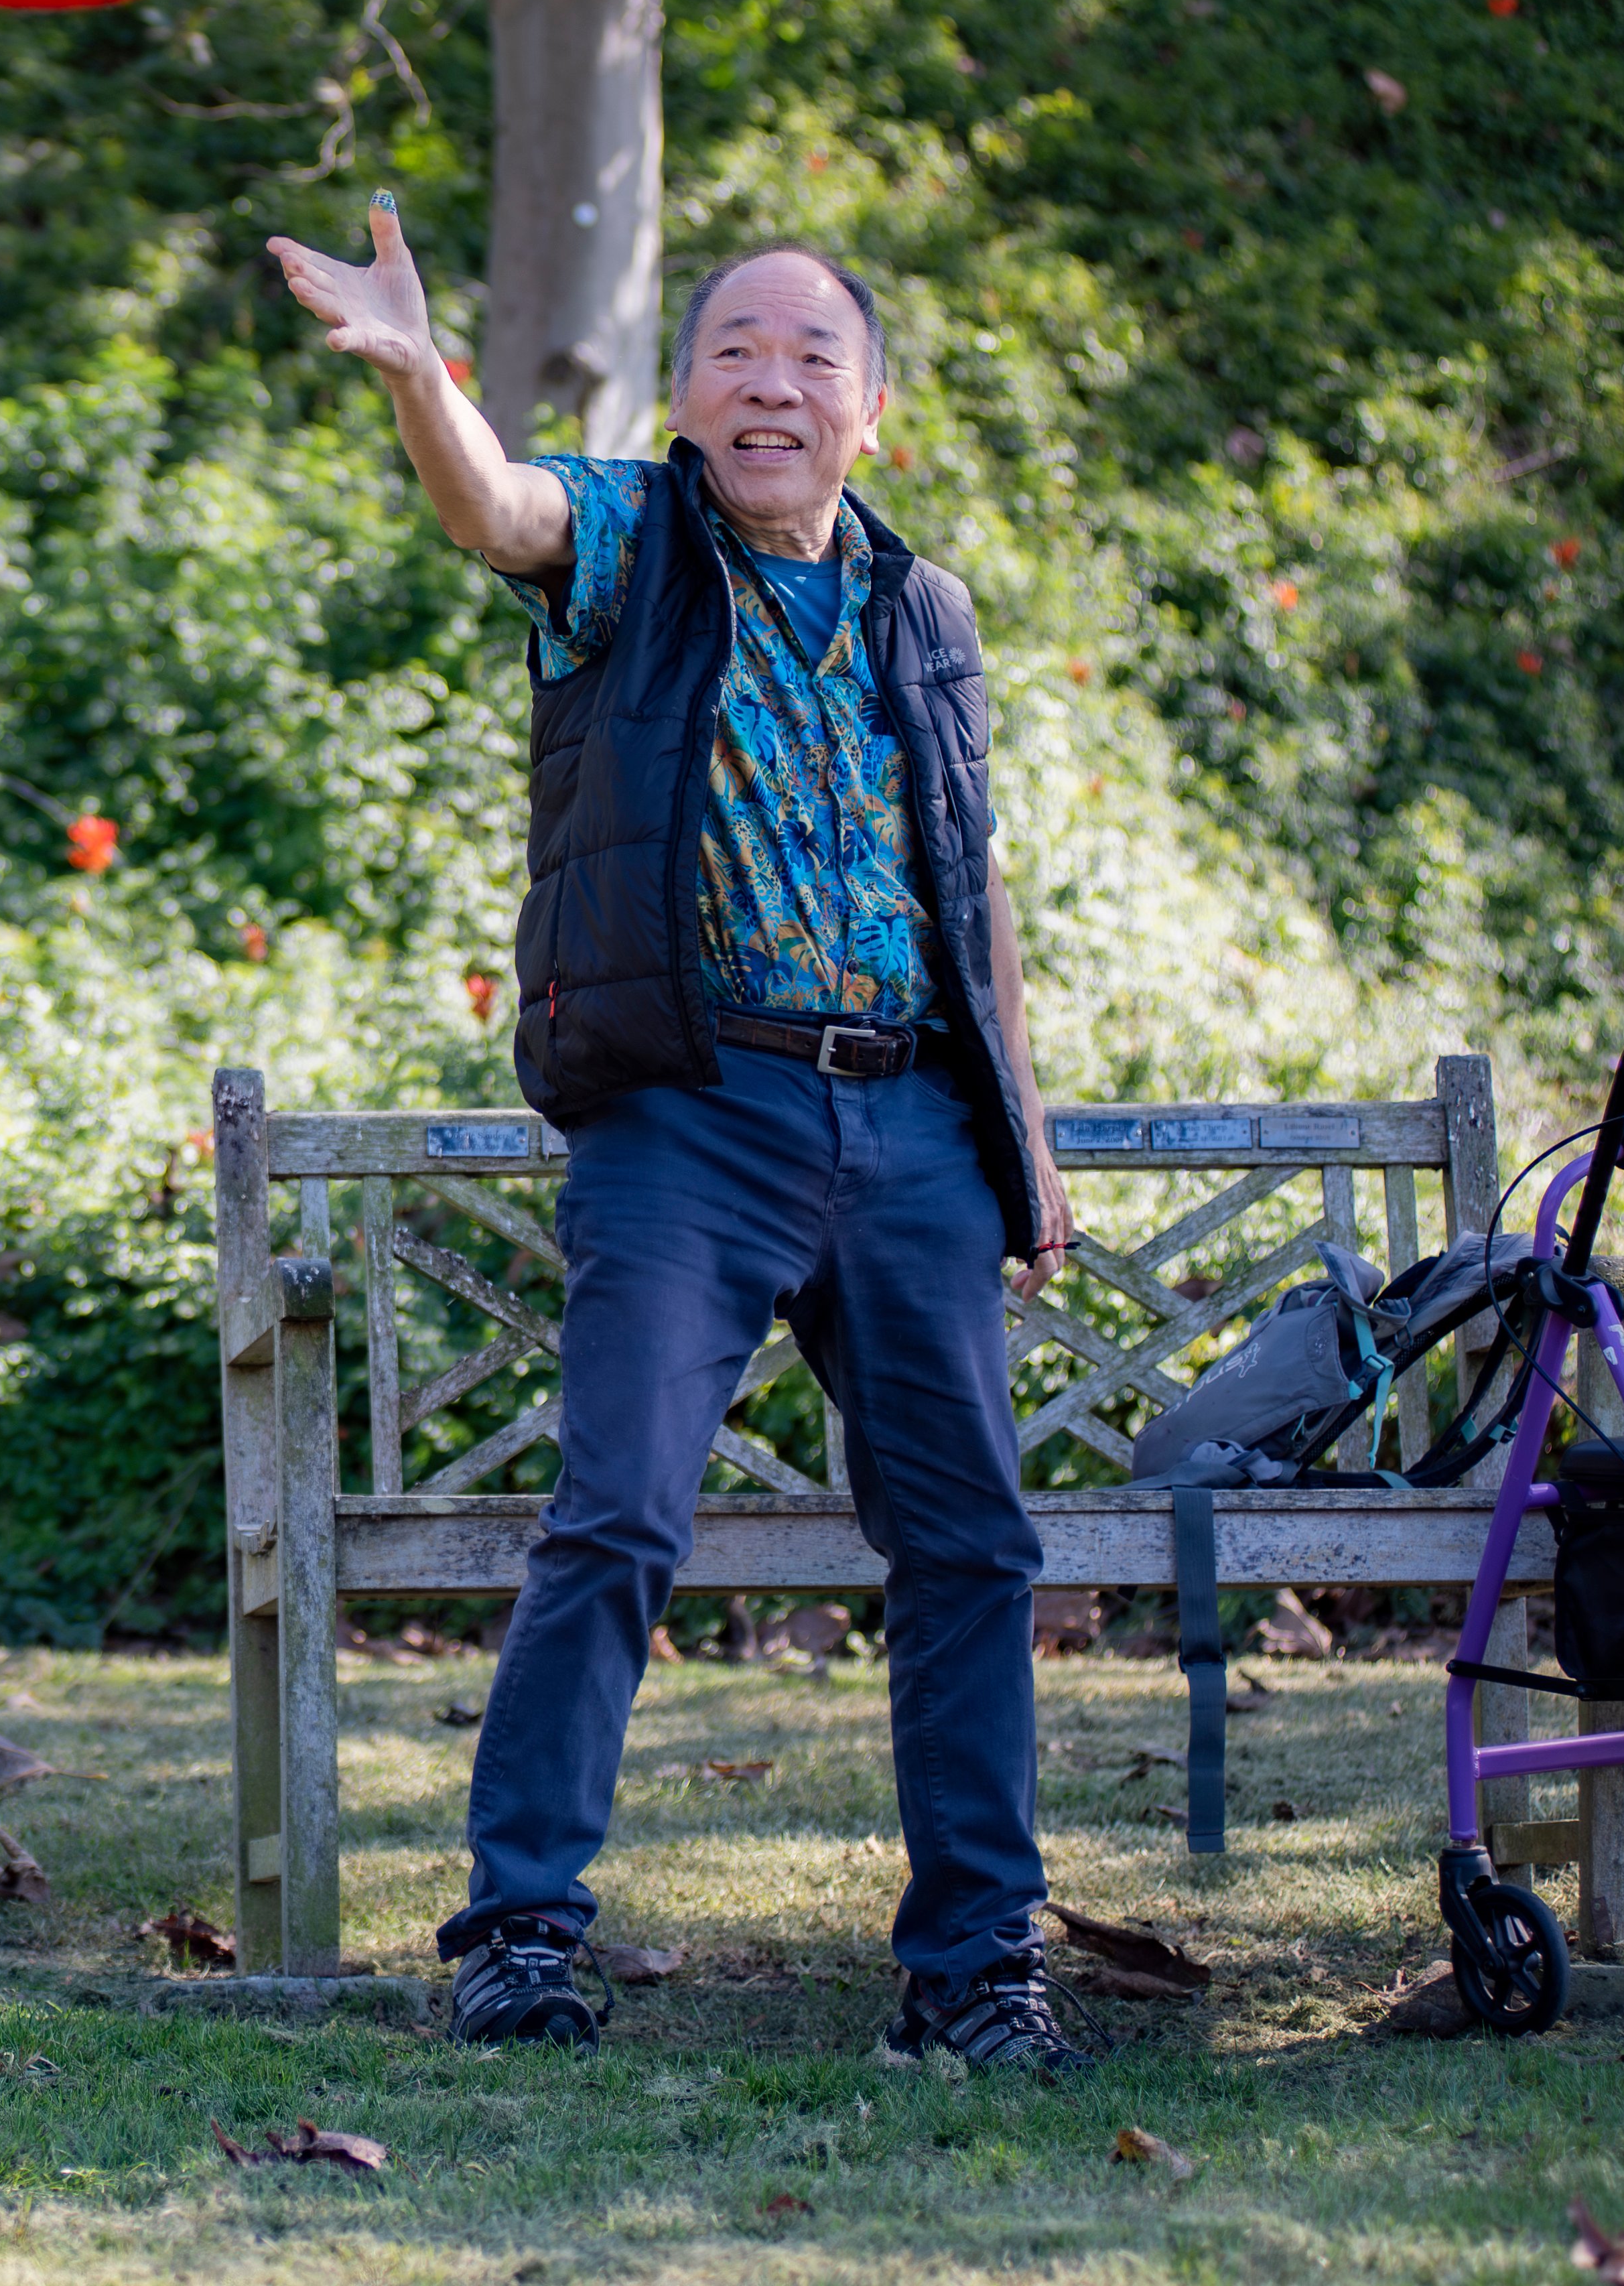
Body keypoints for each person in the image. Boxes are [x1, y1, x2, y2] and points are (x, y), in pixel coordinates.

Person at [265, 194, 1090, 2072]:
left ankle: (975, 1968)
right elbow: (497, 511)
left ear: (873, 406)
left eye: (813, 356)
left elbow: (969, 895)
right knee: (620, 1516)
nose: (772, 382)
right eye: (736, 350)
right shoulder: (635, 540)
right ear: (689, 392)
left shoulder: (920, 607)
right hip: (692, 1118)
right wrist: (419, 373)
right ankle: (523, 1936)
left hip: (909, 1127)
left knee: (971, 1545)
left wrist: (1022, 1143)